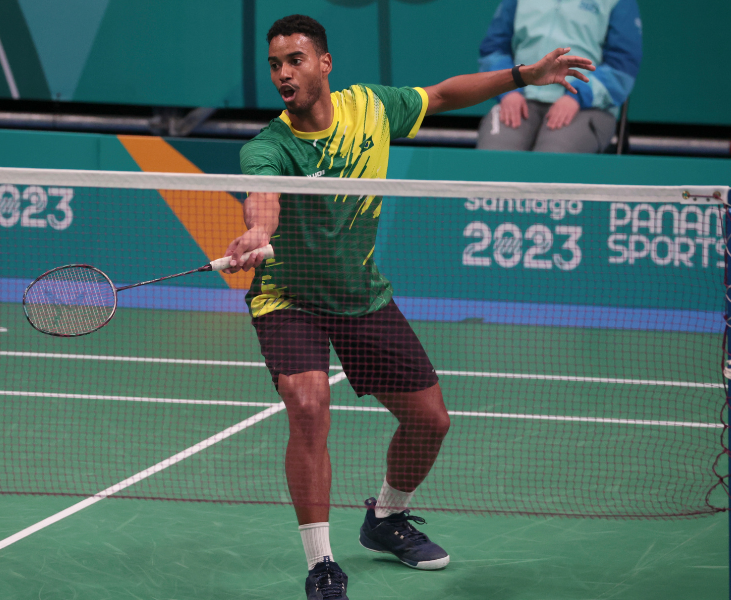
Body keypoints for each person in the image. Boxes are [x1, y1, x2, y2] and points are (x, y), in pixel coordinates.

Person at [224, 14, 593, 600]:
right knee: (308, 403)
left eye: (294, 60)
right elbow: (262, 201)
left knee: (430, 420)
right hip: (289, 296)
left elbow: (445, 94)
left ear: (324, 63)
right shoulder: (268, 148)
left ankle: (386, 519)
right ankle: (321, 564)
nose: (283, 74)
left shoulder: (371, 108)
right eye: (274, 65)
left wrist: (528, 74)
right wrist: (255, 233)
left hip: (360, 294)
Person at [476, 0, 642, 153]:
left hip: (586, 105)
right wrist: (508, 89)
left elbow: (622, 67)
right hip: (518, 97)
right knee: (493, 159)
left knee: (550, 163)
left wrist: (578, 96)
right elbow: (493, 50)